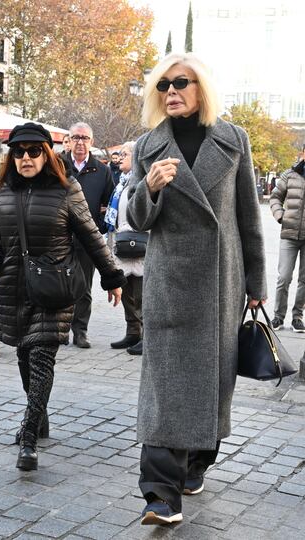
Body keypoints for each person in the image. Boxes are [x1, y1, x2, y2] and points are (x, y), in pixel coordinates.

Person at [126, 52, 267, 526]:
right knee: (164, 388)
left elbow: (248, 217)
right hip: (169, 284)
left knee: (213, 383)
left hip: (221, 283)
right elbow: (136, 219)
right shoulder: (148, 146)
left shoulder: (234, 140)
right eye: (163, 85)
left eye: (181, 82)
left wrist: (257, 283)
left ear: (201, 87)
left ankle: (196, 462)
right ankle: (159, 495)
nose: (171, 92)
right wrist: (150, 188)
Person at [0, 122, 125, 471]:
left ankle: (28, 438)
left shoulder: (65, 189)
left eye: (33, 151)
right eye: (18, 152)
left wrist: (112, 277)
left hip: (54, 288)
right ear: (11, 156)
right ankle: (38, 413)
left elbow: (91, 235)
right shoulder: (1, 192)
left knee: (42, 357)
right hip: (14, 288)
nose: (25, 157)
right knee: (25, 357)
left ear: (45, 154)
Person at [62, 122, 115, 349]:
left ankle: (80, 330)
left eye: (84, 138)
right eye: (76, 137)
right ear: (70, 140)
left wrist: (99, 227)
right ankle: (61, 329)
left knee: (83, 287)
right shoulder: (57, 165)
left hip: (86, 239)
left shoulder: (101, 170)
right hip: (59, 237)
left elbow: (110, 202)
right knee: (59, 284)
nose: (80, 142)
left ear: (91, 142)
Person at [105, 142, 144, 355]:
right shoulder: (121, 182)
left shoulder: (142, 181)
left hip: (137, 243)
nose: (120, 157)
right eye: (119, 154)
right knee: (126, 290)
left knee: (141, 293)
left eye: (125, 154)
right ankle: (133, 332)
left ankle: (147, 336)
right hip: (121, 242)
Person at [269, 154, 305, 332]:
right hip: (289, 234)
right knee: (284, 277)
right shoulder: (289, 175)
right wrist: (280, 215)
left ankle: (297, 317)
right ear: (303, 154)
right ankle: (278, 316)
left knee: (304, 280)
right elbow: (275, 197)